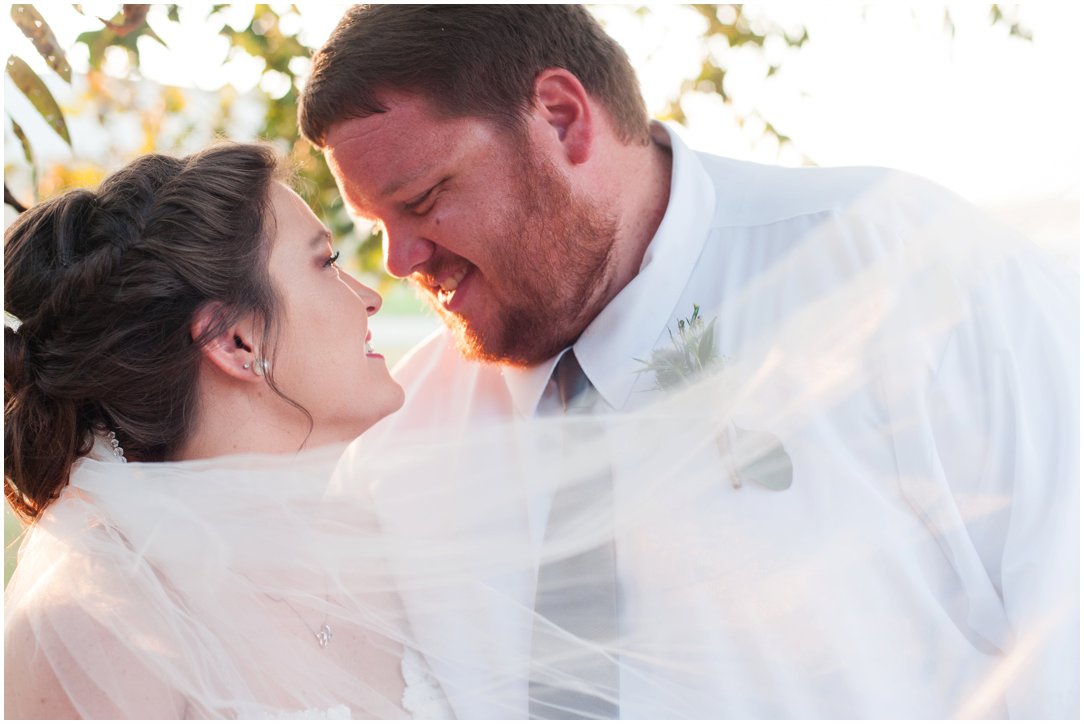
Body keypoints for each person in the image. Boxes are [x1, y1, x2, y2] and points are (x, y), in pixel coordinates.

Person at [298, 4, 1079, 719]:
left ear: (564, 120)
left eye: (425, 198)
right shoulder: (404, 439)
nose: (400, 261)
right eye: (375, 225)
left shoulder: (903, 268)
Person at [3, 143, 451, 718]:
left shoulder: (376, 545)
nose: (369, 297)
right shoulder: (103, 632)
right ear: (235, 341)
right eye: (327, 263)